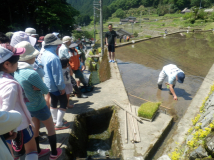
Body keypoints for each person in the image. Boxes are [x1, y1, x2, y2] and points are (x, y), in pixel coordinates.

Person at [14, 41, 62, 159]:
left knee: (35, 129)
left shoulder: (14, 71)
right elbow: (46, 90)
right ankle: (54, 153)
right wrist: (39, 90)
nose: (35, 58)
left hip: (27, 107)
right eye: (33, 56)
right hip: (39, 106)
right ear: (29, 58)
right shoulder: (31, 73)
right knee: (51, 128)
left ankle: (38, 150)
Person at [0, 46, 38, 160]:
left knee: (12, 153)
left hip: (5, 127)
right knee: (32, 150)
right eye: (16, 61)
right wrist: (11, 128)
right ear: (7, 64)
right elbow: (7, 110)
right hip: (18, 125)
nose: (18, 63)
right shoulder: (10, 85)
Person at [41, 34, 70, 131]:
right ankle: (59, 123)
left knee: (53, 101)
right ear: (54, 45)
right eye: (56, 45)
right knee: (63, 102)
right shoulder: (54, 57)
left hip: (48, 84)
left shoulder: (44, 54)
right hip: (55, 85)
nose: (57, 46)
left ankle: (54, 120)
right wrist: (61, 87)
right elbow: (57, 75)